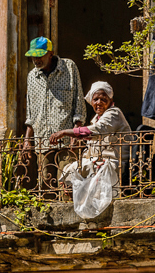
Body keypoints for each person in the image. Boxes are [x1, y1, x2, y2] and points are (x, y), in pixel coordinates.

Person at [22, 37, 84, 191]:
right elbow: (31, 113)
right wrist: (27, 141)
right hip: (43, 142)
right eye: (33, 56)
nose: (36, 60)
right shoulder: (32, 76)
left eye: (40, 55)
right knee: (46, 188)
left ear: (51, 53)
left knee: (67, 186)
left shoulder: (69, 68)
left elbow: (79, 103)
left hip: (66, 142)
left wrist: (76, 134)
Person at [51, 81, 132, 185]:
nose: (99, 102)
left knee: (78, 169)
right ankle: (69, 190)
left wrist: (64, 132)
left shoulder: (114, 113)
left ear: (110, 100)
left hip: (114, 163)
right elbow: (91, 148)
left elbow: (95, 130)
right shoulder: (95, 119)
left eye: (103, 99)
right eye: (95, 99)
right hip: (99, 161)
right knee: (70, 168)